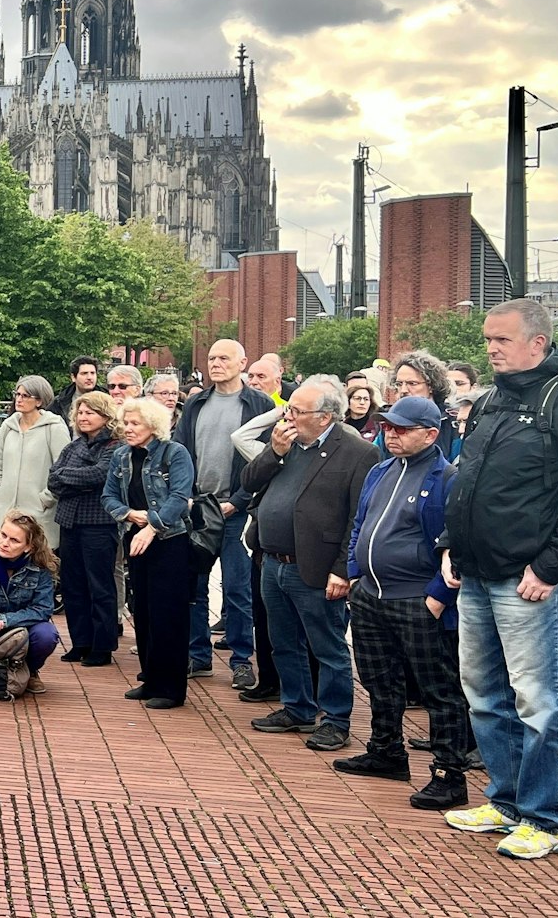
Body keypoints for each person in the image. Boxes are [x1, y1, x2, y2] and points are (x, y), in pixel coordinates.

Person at [439, 298, 558, 859]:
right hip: (476, 573)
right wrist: (449, 546)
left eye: (502, 340)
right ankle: (505, 801)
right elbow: (467, 479)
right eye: (487, 339)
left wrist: (550, 566)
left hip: (527, 578)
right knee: (484, 695)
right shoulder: (489, 401)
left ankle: (543, 816)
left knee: (540, 701)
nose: (490, 348)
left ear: (538, 342)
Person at [335, 395, 472, 810]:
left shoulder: (447, 477)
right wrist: (355, 570)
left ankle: (449, 774)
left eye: (401, 429)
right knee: (379, 679)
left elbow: (456, 541)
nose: (390, 434)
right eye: (387, 427)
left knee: (439, 689)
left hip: (417, 598)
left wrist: (438, 596)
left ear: (431, 434)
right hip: (372, 596)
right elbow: (360, 523)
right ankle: (386, 751)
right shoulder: (380, 471)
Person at [238, 376, 378, 751]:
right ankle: (297, 707)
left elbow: (357, 517)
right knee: (281, 640)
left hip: (315, 565)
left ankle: (335, 719)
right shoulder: (288, 443)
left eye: (297, 412)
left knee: (327, 646)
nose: (289, 417)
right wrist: (274, 452)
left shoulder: (356, 451)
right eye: (290, 409)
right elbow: (249, 482)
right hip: (273, 559)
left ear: (325, 416)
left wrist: (343, 569)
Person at [175, 338, 273, 692]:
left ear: (242, 362)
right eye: (212, 357)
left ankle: (241, 661)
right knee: (194, 586)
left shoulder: (259, 404)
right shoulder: (196, 403)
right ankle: (197, 656)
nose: (216, 363)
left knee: (237, 589)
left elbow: (268, 459)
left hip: (236, 511)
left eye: (224, 358)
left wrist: (241, 499)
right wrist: (183, 495)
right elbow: (181, 451)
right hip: (197, 509)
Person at [103, 397, 197, 710]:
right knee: (142, 610)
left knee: (168, 613)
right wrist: (130, 514)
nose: (127, 429)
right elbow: (109, 496)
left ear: (153, 425)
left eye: (134, 424)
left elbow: (180, 496)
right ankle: (151, 680)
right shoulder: (121, 456)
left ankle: (171, 689)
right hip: (135, 537)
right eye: (125, 423)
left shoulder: (174, 453)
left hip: (169, 541)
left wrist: (152, 526)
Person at [49, 392, 122, 666]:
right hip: (69, 522)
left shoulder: (115, 446)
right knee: (72, 585)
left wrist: (70, 478)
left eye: (90, 412)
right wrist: (77, 480)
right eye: (80, 413)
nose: (83, 417)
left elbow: (101, 475)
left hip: (99, 524)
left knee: (99, 585)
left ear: (105, 416)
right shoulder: (73, 446)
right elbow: (52, 480)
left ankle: (102, 646)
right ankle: (80, 641)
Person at [0, 512, 61, 695]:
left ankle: (29, 671)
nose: (5, 543)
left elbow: (43, 609)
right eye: (4, 535)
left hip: (23, 626)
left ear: (28, 547)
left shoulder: (41, 565)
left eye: (14, 540)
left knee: (47, 634)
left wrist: (3, 619)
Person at [0, 375, 71, 555]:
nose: (19, 399)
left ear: (40, 400)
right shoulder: (7, 426)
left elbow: (64, 470)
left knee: (39, 569)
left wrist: (45, 499)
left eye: (26, 396)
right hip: (6, 514)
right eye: (17, 394)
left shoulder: (54, 427)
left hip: (39, 515)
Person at [390, 349, 460, 453]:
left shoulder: (453, 422)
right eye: (399, 384)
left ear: (431, 386)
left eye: (412, 383)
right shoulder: (388, 421)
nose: (403, 390)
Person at [50, 355, 101, 420]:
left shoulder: (108, 398)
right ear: (73, 377)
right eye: (84, 373)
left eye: (92, 373)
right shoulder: (59, 403)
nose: (89, 377)